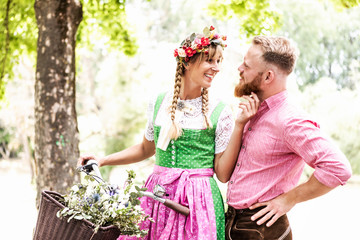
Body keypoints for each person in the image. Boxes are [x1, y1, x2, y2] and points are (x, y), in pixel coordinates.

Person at [78, 26, 258, 240]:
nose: (216, 68)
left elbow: (222, 174)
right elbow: (146, 148)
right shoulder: (159, 102)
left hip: (197, 203)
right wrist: (102, 160)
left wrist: (239, 126)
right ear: (187, 62)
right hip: (156, 197)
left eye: (219, 61)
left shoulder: (220, 112)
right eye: (210, 60)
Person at [220, 36, 352, 240]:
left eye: (246, 65)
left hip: (262, 229)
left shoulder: (289, 120)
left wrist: (290, 198)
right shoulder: (253, 112)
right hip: (235, 224)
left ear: (267, 77)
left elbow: (338, 167)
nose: (239, 68)